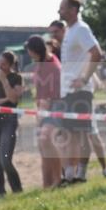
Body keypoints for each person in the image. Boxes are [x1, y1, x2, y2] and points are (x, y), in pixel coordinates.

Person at [56, 0, 103, 185]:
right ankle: (69, 175)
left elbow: (96, 53)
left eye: (62, 8)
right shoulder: (70, 30)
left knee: (82, 133)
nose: (59, 11)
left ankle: (80, 175)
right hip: (67, 91)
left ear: (73, 10)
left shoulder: (81, 29)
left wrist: (84, 78)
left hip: (80, 91)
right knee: (69, 134)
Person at [25, 35, 63, 188]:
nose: (29, 54)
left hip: (54, 106)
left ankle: (58, 179)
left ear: (35, 50)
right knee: (43, 146)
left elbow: (49, 94)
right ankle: (47, 183)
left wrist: (41, 115)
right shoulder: (42, 63)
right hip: (44, 106)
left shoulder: (50, 65)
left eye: (30, 51)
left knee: (45, 140)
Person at [0, 51, 24, 196]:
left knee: (5, 159)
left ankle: (17, 189)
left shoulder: (16, 78)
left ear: (10, 65)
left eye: (3, 64)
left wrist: (4, 81)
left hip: (9, 120)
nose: (0, 66)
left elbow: (13, 99)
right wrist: (2, 102)